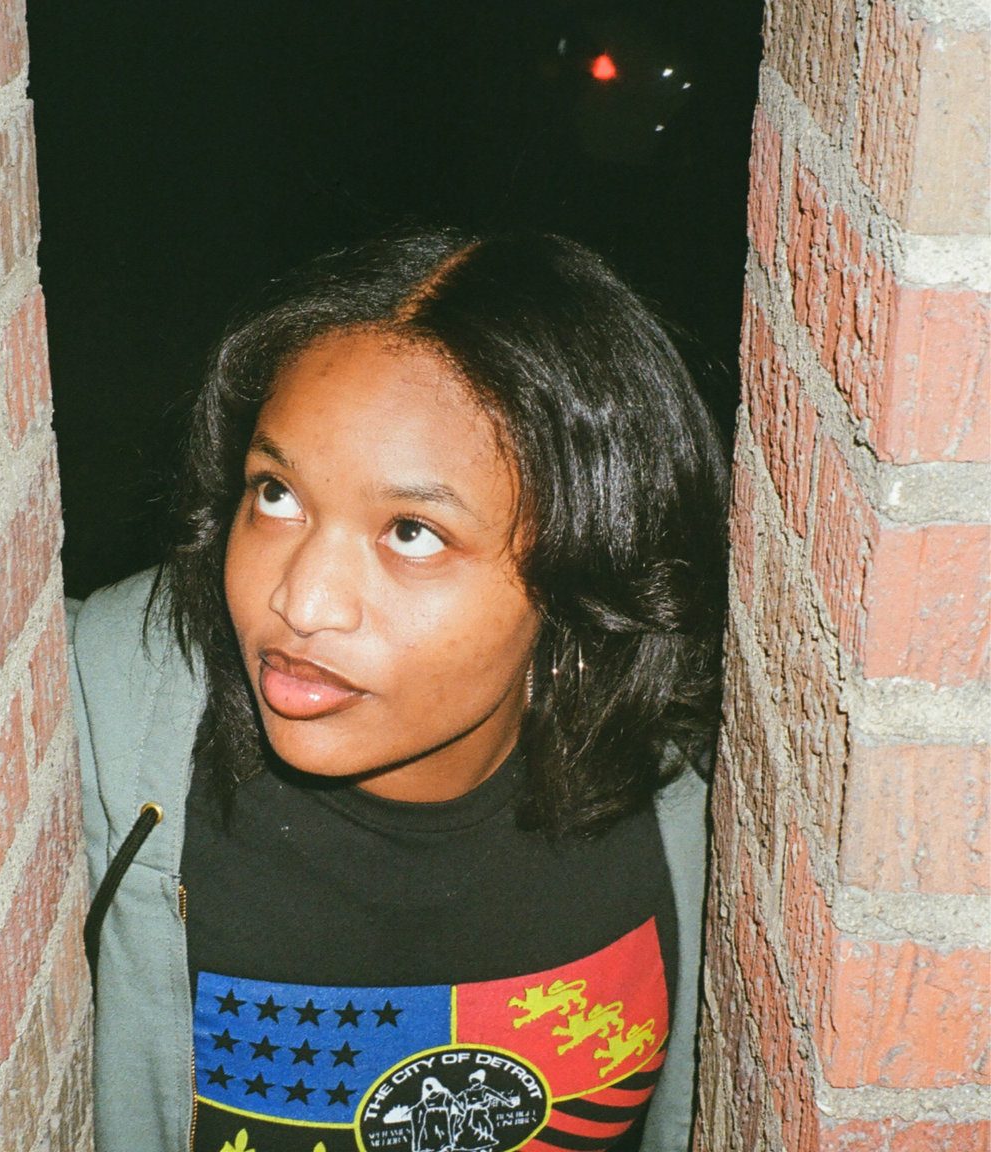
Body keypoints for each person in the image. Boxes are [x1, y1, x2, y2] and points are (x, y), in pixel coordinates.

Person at [68, 229, 727, 1152]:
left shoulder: (702, 802)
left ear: (588, 567)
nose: (302, 602)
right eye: (276, 494)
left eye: (412, 532)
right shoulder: (92, 734)